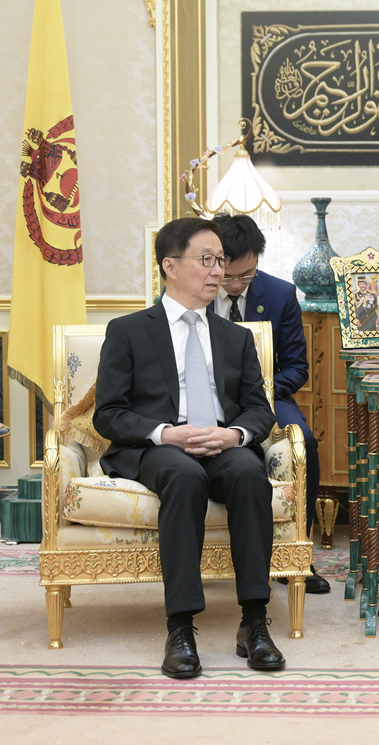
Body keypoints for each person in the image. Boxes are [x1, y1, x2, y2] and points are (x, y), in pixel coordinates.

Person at [93, 217, 285, 680]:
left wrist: (234, 435)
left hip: (222, 441)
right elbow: (109, 414)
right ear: (170, 266)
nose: (218, 270)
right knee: (183, 475)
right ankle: (180, 628)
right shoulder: (128, 330)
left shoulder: (236, 337)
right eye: (206, 259)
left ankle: (254, 623)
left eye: (220, 260)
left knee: (248, 473)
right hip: (161, 445)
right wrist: (165, 433)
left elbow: (259, 410)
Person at [211, 213, 331, 595]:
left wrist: (259, 390)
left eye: (245, 276)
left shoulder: (280, 295)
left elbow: (297, 367)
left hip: (266, 396)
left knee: (303, 441)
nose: (234, 285)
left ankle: (298, 555)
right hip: (206, 397)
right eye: (227, 276)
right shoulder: (192, 292)